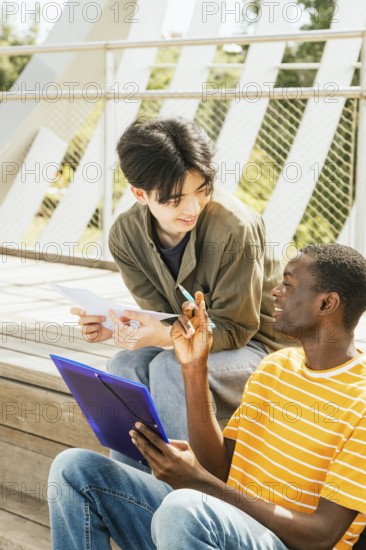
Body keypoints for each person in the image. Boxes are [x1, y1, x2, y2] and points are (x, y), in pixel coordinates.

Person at [49, 243, 366, 549]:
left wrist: (199, 483)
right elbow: (219, 470)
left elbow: (321, 537)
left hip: (267, 539)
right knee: (74, 468)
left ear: (327, 304)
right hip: (212, 526)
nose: (276, 291)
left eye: (288, 284)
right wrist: (194, 367)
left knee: (184, 508)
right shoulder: (277, 367)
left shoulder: (360, 401)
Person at [72, 117, 288, 466]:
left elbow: (236, 328)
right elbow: (165, 317)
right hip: (199, 339)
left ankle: (190, 493)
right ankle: (131, 484)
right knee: (124, 362)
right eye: (175, 200)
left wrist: (166, 334)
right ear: (140, 194)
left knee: (172, 367)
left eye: (202, 190)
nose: (191, 209)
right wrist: (121, 326)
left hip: (260, 347)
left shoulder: (235, 227)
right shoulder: (126, 236)